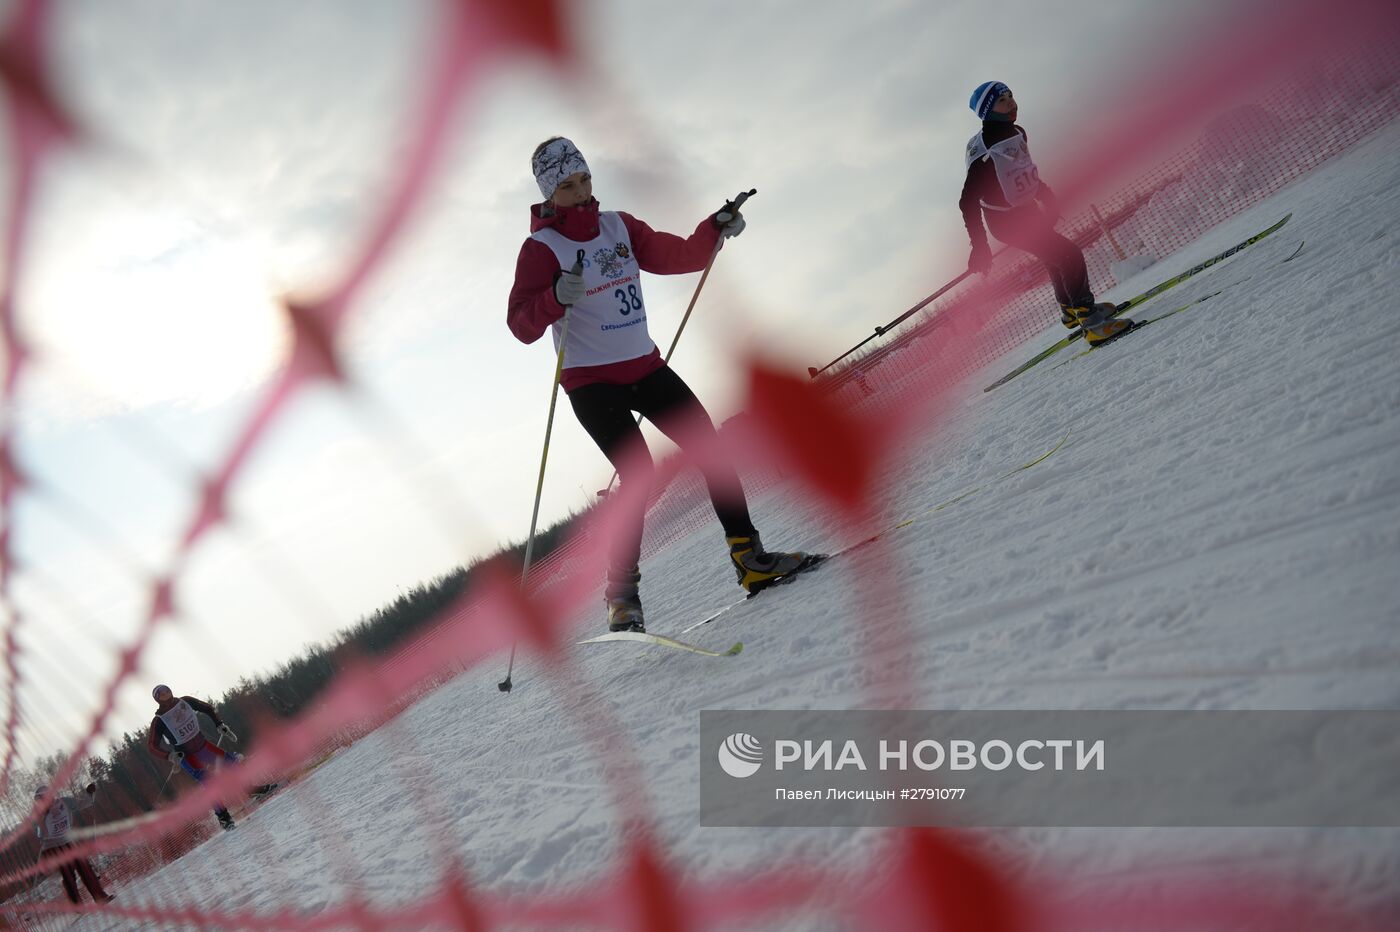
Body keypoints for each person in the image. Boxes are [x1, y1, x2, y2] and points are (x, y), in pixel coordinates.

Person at [507, 137, 816, 632]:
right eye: (566, 185)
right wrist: (553, 298)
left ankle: (750, 561)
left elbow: (681, 256)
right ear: (548, 191)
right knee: (640, 475)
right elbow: (520, 325)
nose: (580, 190)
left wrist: (715, 227)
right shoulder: (542, 249)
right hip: (592, 383)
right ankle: (621, 598)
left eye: (583, 178)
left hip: (646, 367)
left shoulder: (618, 226)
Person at [959, 81, 1135, 345]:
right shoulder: (985, 154)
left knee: (1056, 257)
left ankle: (1071, 312)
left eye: (1011, 96)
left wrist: (1046, 196)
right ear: (987, 111)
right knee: (1069, 254)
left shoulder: (1017, 132)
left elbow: (1022, 170)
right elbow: (967, 202)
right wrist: (980, 247)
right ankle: (1092, 323)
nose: (1011, 103)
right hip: (1007, 222)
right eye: (1002, 101)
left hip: (1026, 212)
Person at [146, 684, 243, 830]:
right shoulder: (159, 720)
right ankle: (224, 819)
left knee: (232, 763)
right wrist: (170, 756)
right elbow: (152, 746)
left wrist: (219, 724)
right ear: (157, 699)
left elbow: (208, 708)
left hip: (203, 747)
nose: (165, 694)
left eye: (166, 690)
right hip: (187, 756)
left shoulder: (185, 702)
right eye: (161, 693)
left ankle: (254, 790)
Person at [33, 784, 114, 905]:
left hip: (69, 841)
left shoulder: (64, 802)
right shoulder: (40, 815)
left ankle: (100, 897)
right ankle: (77, 904)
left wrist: (88, 793)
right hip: (55, 846)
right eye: (40, 800)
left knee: (85, 868)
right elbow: (40, 834)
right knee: (68, 874)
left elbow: (81, 803)